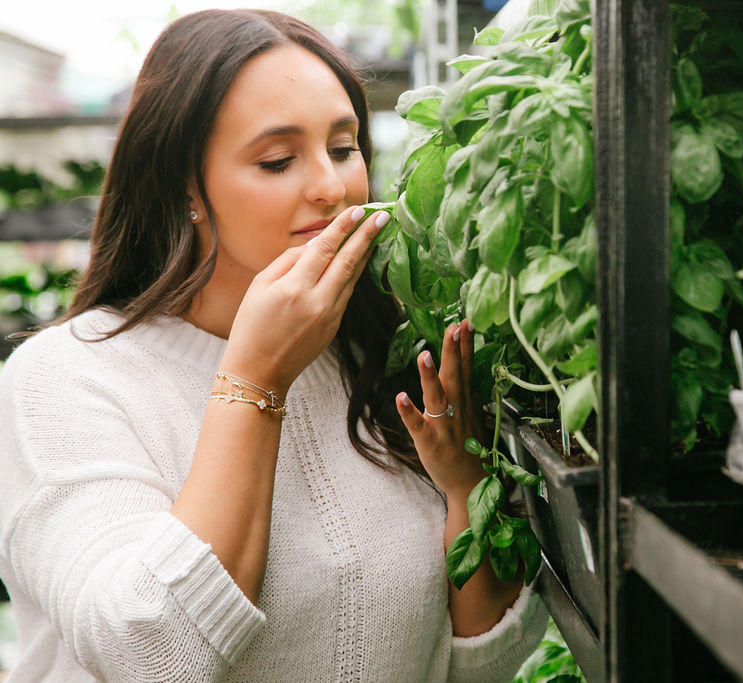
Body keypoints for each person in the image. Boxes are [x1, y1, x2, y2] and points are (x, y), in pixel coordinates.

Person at [0, 9, 547, 682]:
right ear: (185, 189)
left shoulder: (387, 355)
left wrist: (465, 493)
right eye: (278, 160)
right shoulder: (63, 380)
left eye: (344, 148)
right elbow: (147, 652)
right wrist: (256, 377)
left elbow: (481, 666)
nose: (330, 185)